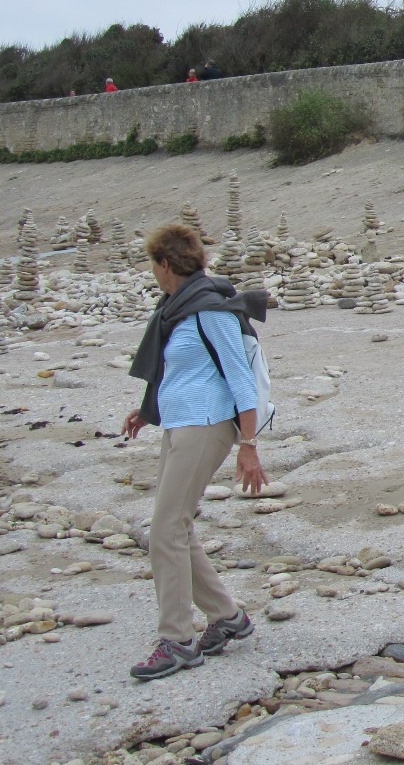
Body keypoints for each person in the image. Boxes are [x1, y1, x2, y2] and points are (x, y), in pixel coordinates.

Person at [124, 223, 269, 679]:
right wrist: (148, 412)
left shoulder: (210, 309)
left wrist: (249, 446)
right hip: (181, 424)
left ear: (165, 264)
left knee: (165, 530)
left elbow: (241, 380)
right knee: (176, 527)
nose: (151, 271)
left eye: (152, 263)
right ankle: (227, 617)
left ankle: (178, 640)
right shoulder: (176, 307)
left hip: (206, 426)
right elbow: (178, 370)